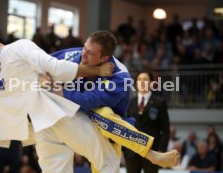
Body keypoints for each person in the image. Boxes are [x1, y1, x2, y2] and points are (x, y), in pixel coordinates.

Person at [0, 34, 119, 173]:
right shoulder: (18, 47)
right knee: (107, 160)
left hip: (38, 126)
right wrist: (96, 71)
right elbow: (57, 68)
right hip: (54, 114)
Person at [41, 30, 179, 172]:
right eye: (84, 48)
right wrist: (45, 77)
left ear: (104, 58)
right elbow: (44, 62)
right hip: (70, 118)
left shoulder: (120, 77)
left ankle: (150, 154)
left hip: (107, 129)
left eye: (91, 53)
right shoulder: (74, 55)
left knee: (103, 114)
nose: (83, 54)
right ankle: (150, 154)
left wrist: (61, 91)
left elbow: (89, 101)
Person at [122, 71, 170, 173]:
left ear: (151, 83)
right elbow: (124, 126)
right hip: (131, 151)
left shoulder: (159, 102)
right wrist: (122, 149)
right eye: (139, 80)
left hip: (152, 151)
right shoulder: (129, 102)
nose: (142, 82)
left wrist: (161, 150)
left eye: (145, 79)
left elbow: (165, 129)